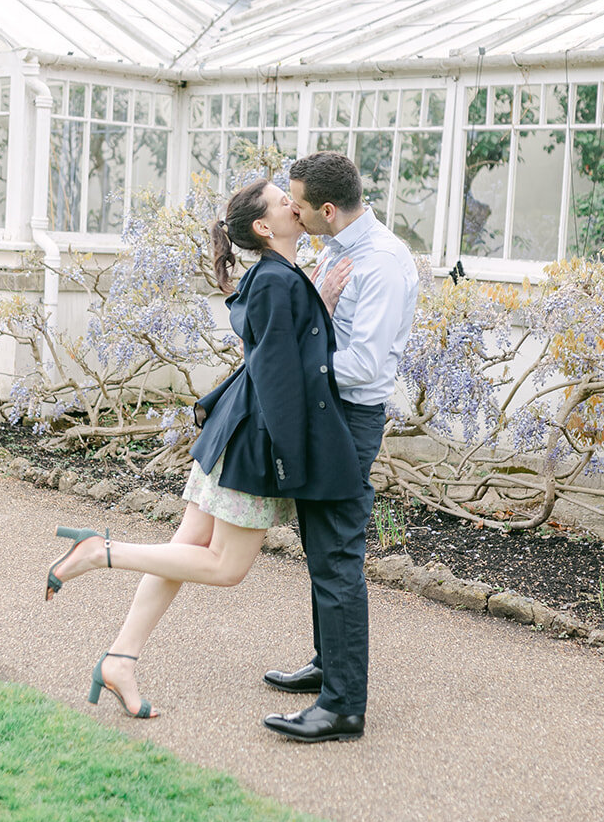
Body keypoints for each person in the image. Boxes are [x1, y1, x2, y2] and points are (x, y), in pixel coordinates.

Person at [43, 178, 362, 723]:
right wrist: (290, 462)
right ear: (265, 226)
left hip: (232, 435)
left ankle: (120, 658)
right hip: (253, 445)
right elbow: (280, 379)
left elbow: (282, 345)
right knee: (224, 566)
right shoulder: (273, 281)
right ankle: (101, 551)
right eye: (283, 199)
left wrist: (320, 301)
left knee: (184, 550)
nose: (294, 201)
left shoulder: (278, 276)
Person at [262, 152, 418, 744]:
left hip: (349, 418)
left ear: (328, 209)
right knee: (319, 542)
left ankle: (344, 706)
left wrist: (289, 364)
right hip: (326, 412)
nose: (292, 212)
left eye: (297, 204)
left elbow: (362, 364)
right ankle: (330, 665)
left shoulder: (378, 264)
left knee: (337, 554)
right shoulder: (338, 248)